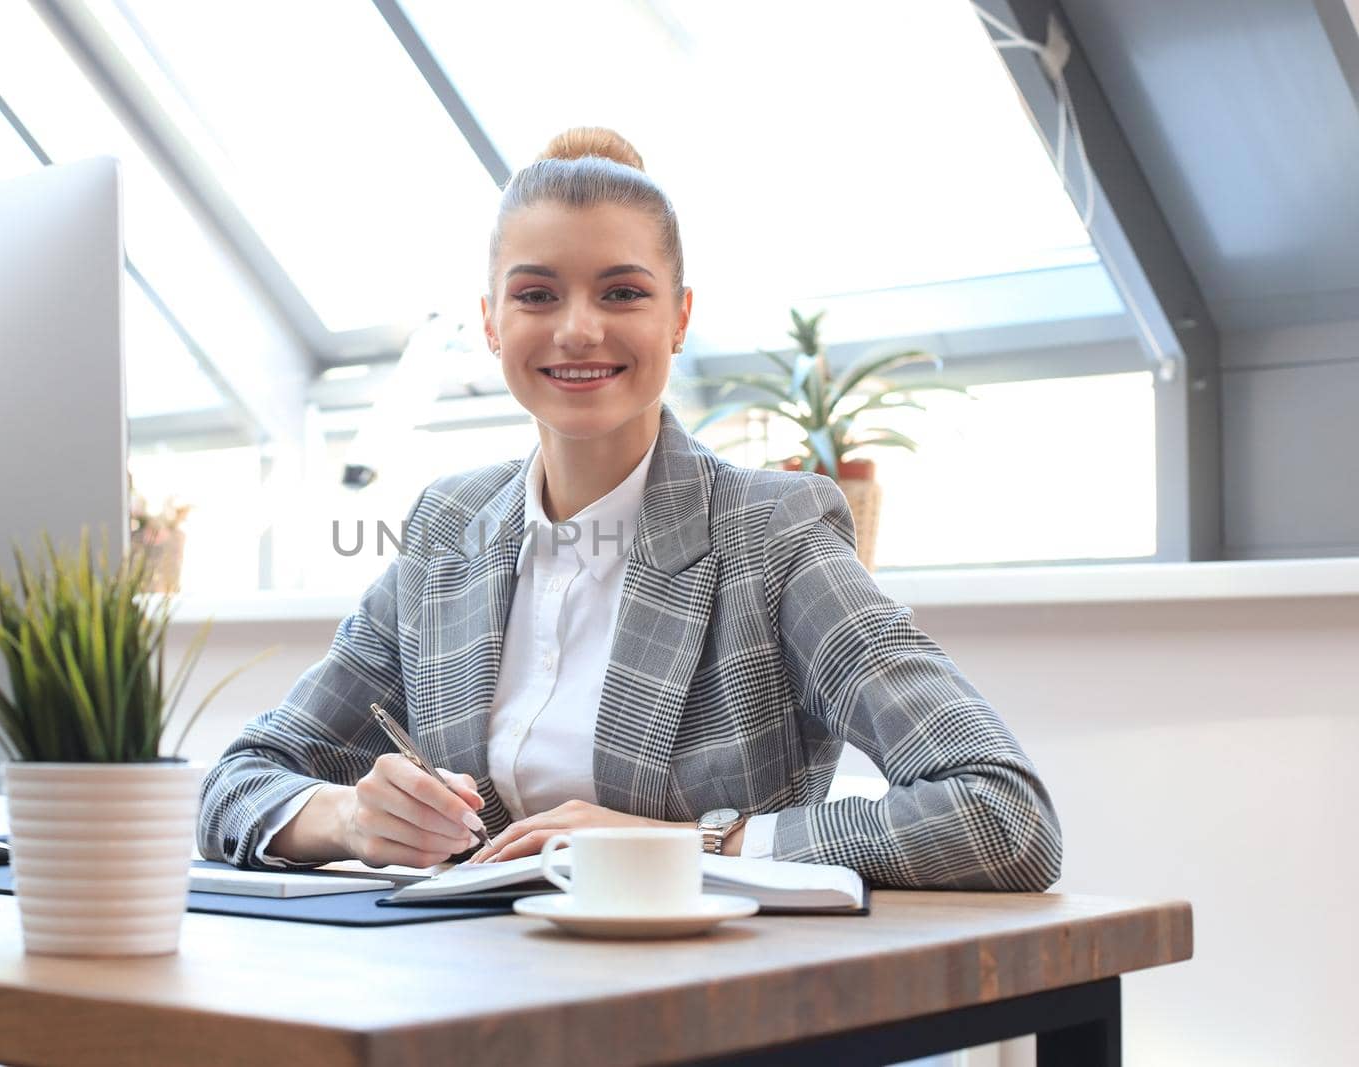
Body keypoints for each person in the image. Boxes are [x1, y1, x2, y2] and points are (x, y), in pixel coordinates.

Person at [198, 127, 1062, 891]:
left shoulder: (773, 533)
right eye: (537, 295)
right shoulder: (446, 531)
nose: (577, 329)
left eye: (622, 293)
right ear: (492, 323)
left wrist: (696, 844)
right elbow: (241, 777)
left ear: (679, 318)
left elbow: (1002, 812)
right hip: (472, 998)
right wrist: (349, 818)